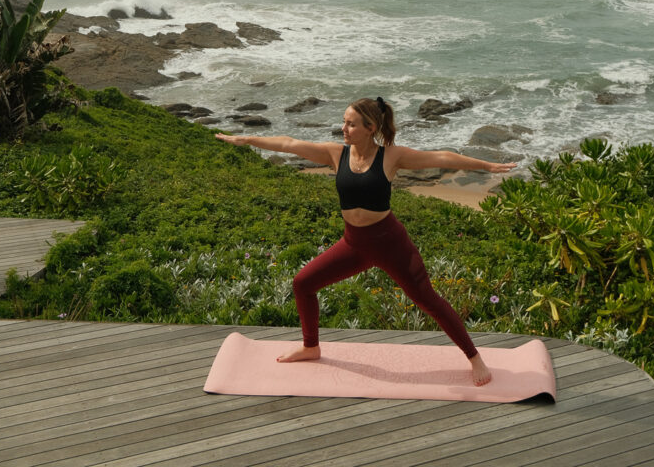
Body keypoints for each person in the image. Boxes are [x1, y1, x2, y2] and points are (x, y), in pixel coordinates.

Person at [215, 96, 517, 386]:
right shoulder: (336, 154)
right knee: (303, 284)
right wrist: (247, 140)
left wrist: (487, 166)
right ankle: (311, 347)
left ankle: (474, 357)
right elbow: (290, 144)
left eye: (351, 124)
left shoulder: (391, 156)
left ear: (371, 128)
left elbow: (440, 157)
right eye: (343, 123)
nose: (343, 129)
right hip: (353, 245)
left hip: (390, 244)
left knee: (428, 300)